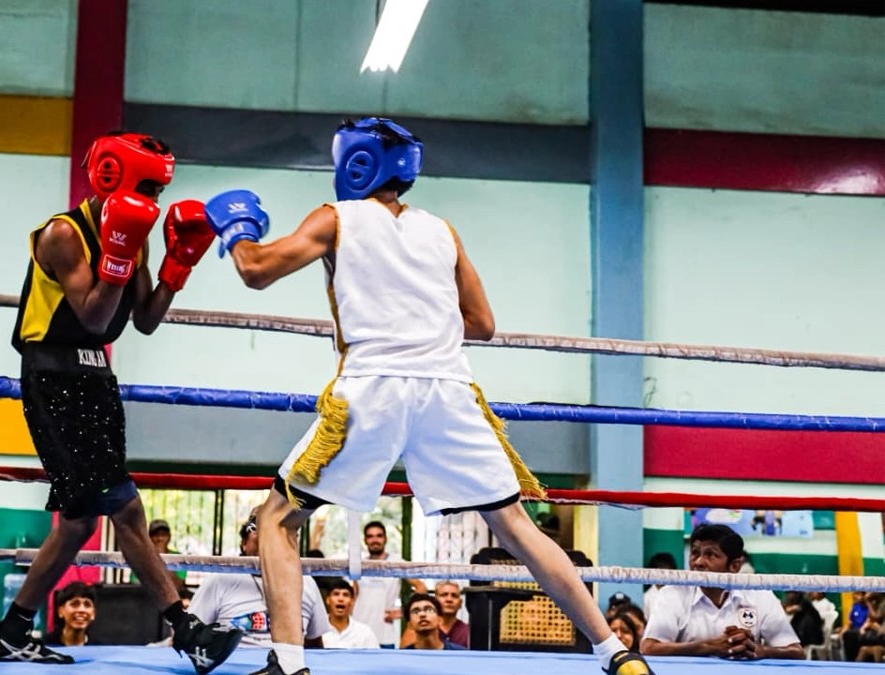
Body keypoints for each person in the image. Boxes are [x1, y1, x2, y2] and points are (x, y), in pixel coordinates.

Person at [206, 116, 653, 675]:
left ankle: (290, 664)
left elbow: (255, 270)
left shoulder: (334, 218)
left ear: (354, 163)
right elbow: (483, 324)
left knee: (276, 519)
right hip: (450, 389)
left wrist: (237, 227)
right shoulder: (442, 230)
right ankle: (617, 653)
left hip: (373, 390)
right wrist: (423, 327)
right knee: (515, 525)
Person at [0, 132, 241, 671]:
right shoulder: (63, 234)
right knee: (126, 508)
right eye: (146, 184)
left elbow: (143, 319)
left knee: (80, 521)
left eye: (157, 187)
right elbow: (95, 319)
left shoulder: (139, 232)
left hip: (96, 382)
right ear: (110, 175)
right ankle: (187, 630)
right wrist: (119, 251)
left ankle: (10, 633)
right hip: (56, 379)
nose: (152, 196)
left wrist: (177, 264)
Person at [641, 524, 802, 660]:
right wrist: (708, 646)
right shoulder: (673, 594)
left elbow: (795, 652)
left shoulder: (759, 595)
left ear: (734, 566)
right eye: (695, 553)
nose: (698, 562)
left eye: (710, 555)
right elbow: (649, 648)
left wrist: (761, 651)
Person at [189, 509, 329, 649]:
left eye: (278, 527)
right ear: (244, 543)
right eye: (259, 527)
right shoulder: (220, 580)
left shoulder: (306, 582)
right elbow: (190, 634)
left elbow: (314, 646)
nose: (269, 533)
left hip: (286, 667)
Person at [353, 521, 426, 648]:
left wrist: (404, 611)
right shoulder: (359, 564)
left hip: (384, 634)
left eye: (379, 536)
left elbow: (421, 587)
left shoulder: (396, 562)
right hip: (359, 632)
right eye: (370, 536)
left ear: (385, 539)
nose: (375, 540)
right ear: (365, 540)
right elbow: (354, 595)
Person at [321, 578, 378, 649]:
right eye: (336, 594)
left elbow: (375, 659)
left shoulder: (365, 633)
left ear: (352, 601)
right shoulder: (317, 631)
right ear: (328, 600)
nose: (340, 599)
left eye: (345, 595)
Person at [402, 594, 467, 651]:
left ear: (440, 620)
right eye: (415, 612)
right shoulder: (404, 656)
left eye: (429, 610)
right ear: (409, 625)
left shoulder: (460, 654)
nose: (422, 614)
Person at [45, 582, 97, 647]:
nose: (81, 610)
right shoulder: (45, 647)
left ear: (93, 614)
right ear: (60, 611)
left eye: (87, 605)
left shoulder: (100, 649)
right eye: (75, 604)